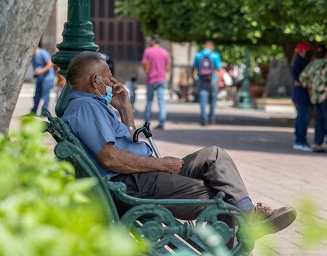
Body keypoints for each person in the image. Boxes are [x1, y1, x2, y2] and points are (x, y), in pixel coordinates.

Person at [61, 51, 297, 241]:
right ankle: (243, 228)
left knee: (213, 155)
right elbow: (110, 158)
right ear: (95, 80)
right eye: (109, 78)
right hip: (135, 182)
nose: (113, 83)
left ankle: (249, 215)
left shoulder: (92, 104)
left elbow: (126, 143)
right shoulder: (86, 107)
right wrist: (160, 164)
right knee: (221, 195)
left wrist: (125, 110)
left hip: (143, 175)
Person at [300, 44, 327, 154]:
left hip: (316, 98)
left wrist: (311, 89)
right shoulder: (326, 67)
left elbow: (302, 77)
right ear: (326, 54)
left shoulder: (311, 65)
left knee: (319, 122)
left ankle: (318, 144)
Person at [141, 34, 171, 129]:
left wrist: (148, 71)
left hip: (151, 79)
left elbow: (145, 65)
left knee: (149, 101)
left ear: (153, 41)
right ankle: (162, 122)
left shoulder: (148, 51)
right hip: (162, 79)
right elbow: (168, 68)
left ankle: (147, 122)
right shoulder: (165, 52)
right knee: (161, 101)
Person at [192, 41, 222, 125]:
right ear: (212, 47)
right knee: (213, 100)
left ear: (204, 46)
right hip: (212, 79)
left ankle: (203, 119)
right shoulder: (215, 55)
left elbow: (193, 67)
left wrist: (193, 78)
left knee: (203, 101)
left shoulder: (198, 55)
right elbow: (219, 69)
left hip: (201, 79)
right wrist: (219, 80)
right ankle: (211, 118)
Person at [290, 42, 313, 151]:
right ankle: (300, 141)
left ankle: (301, 140)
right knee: (302, 118)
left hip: (302, 94)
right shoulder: (299, 63)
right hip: (301, 95)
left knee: (303, 118)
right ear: (302, 51)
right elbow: (298, 81)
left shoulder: (302, 61)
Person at [30, 46, 55, 116]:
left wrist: (41, 71)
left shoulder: (43, 53)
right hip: (40, 78)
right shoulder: (33, 55)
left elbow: (50, 63)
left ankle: (44, 113)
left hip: (47, 78)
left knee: (45, 96)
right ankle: (33, 111)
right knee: (36, 95)